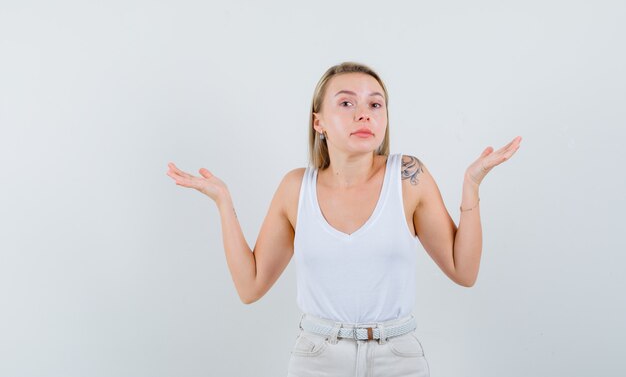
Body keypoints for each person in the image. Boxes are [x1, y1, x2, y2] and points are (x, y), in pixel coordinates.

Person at [166, 62, 522, 376]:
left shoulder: (408, 176)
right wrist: (223, 201)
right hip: (317, 358)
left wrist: (471, 185)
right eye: (347, 102)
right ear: (318, 121)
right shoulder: (295, 188)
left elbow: (464, 271)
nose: (364, 114)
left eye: (375, 104)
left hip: (397, 356)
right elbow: (250, 286)